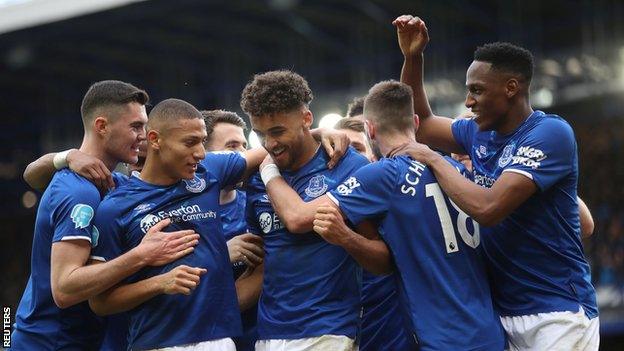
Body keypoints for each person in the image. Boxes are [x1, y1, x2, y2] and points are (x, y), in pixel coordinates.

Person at [392, 14, 598, 349]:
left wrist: (429, 157)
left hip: (557, 312)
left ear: (511, 88)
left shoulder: (549, 133)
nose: (468, 102)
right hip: (502, 310)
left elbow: (488, 209)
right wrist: (413, 57)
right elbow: (423, 123)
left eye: (477, 91)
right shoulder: (477, 133)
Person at [260, 80, 505, 350]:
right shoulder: (454, 169)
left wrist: (268, 169)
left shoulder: (383, 174)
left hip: (440, 336)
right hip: (487, 330)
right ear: (415, 121)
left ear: (369, 128)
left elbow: (297, 217)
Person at [12, 81, 200, 350]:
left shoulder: (115, 184)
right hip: (50, 342)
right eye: (135, 127)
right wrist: (141, 255)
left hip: (85, 340)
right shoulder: (78, 192)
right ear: (102, 126)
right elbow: (64, 289)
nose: (143, 136)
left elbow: (32, 174)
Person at [241, 70, 369, 351]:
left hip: (328, 331)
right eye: (260, 134)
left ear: (306, 118)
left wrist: (269, 171)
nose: (269, 143)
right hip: (269, 334)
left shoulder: (348, 166)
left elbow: (297, 219)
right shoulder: (255, 179)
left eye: (277, 131)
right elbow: (265, 265)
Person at [333, 116, 415, 351]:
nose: (346, 158)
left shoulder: (401, 211)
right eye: (336, 150)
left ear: (373, 156)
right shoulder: (320, 218)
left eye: (356, 149)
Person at [202, 109, 263, 351]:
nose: (241, 156)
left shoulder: (260, 203)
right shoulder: (181, 213)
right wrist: (220, 256)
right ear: (203, 154)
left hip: (257, 338)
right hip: (202, 338)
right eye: (231, 147)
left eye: (244, 146)